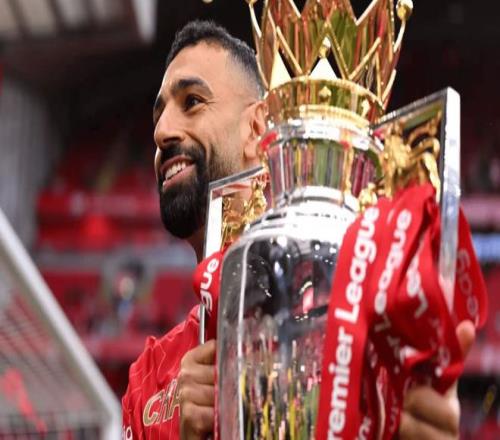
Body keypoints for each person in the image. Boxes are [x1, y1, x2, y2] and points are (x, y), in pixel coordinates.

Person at [122, 20, 475, 440]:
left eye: (192, 102)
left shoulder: (373, 334)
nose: (161, 132)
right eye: (158, 114)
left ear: (258, 128)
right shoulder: (149, 379)